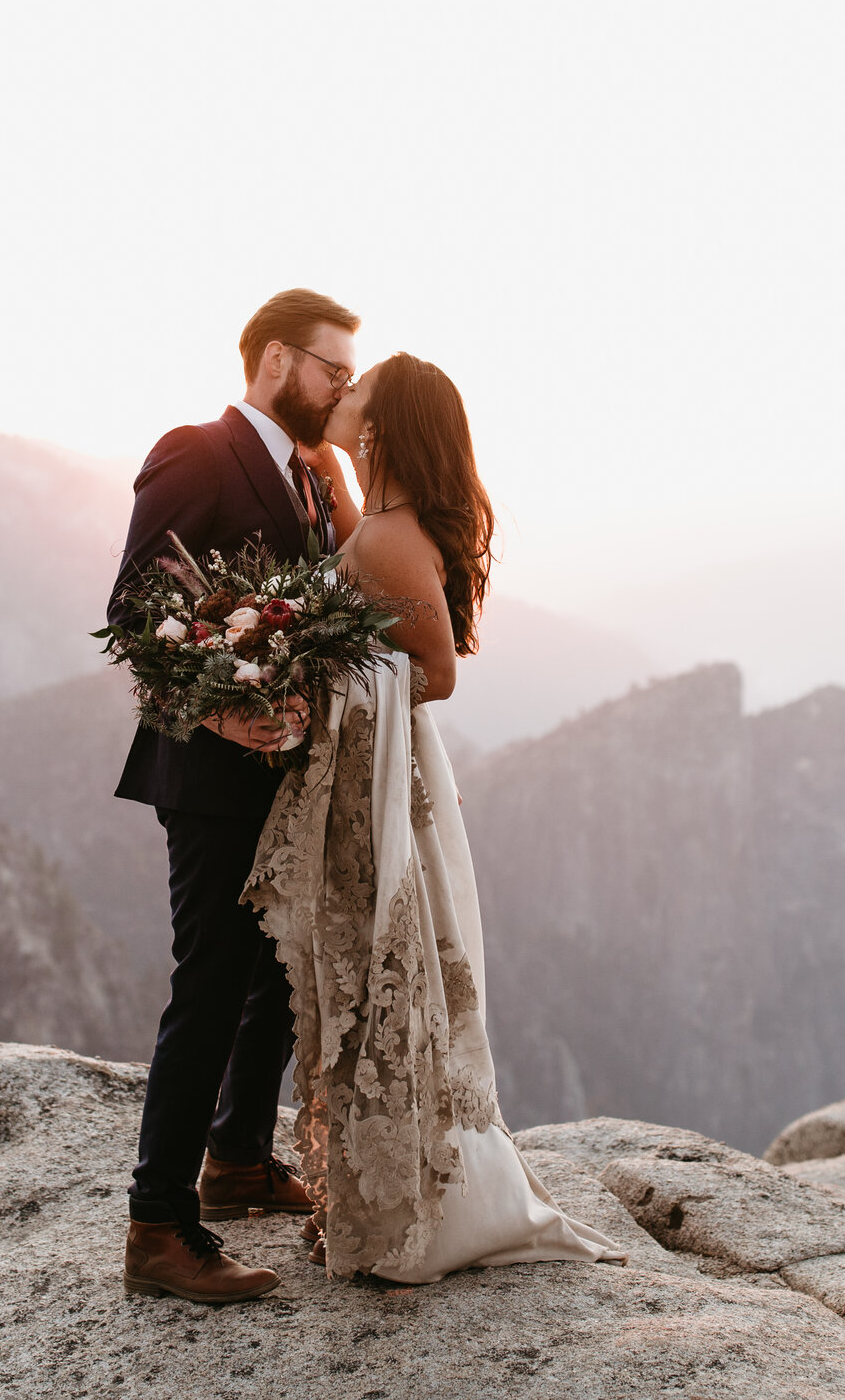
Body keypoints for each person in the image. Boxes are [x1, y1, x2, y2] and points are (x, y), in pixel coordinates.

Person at [246, 353, 624, 1282]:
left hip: (384, 784)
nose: (345, 396)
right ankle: (380, 1199)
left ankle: (412, 1207)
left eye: (358, 390)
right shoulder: (370, 518)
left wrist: (320, 673)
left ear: (381, 425)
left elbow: (439, 672)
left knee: (389, 971)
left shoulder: (394, 536)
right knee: (367, 979)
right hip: (367, 775)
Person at [110, 289, 361, 1304]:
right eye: (331, 369)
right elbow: (132, 606)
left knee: (268, 968)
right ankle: (157, 1225)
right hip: (207, 770)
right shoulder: (193, 451)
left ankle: (239, 1160)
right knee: (210, 979)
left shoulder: (313, 474)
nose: (343, 386)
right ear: (272, 363)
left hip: (283, 765)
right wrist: (218, 715)